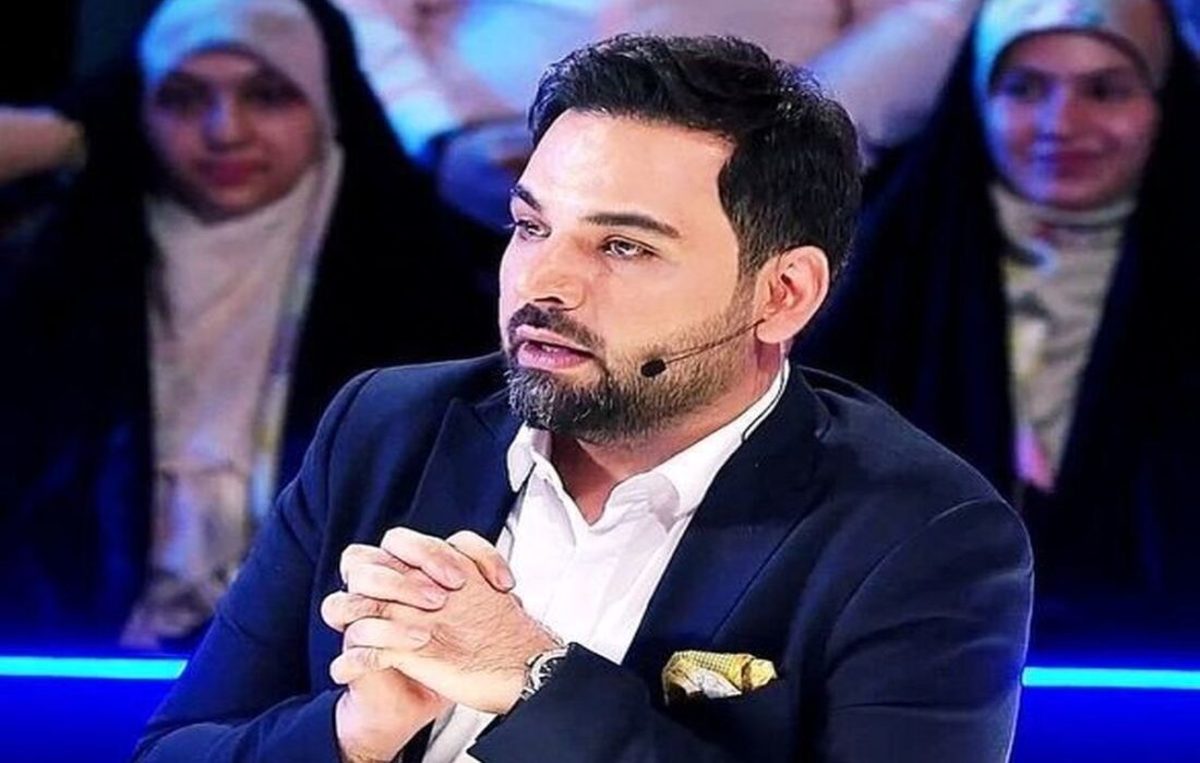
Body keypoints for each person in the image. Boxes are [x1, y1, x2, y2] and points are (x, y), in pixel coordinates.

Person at [134, 34, 1032, 762]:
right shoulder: (386, 428)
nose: (542, 282)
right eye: (531, 226)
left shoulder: (920, 532)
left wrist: (532, 680)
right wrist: (351, 732)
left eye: (623, 247)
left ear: (783, 293)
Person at [0, 0, 494, 651]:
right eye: (182, 99)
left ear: (324, 103)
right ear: (140, 110)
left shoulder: (419, 289)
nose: (225, 131)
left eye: (268, 96)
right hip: (83, 658)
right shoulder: (55, 278)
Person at [796, 0, 1200, 647]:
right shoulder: (876, 267)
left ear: (1164, 101)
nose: (1061, 124)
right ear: (978, 96)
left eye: (1105, 91)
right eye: (1024, 89)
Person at [332, 0, 983, 231]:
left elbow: (928, 15)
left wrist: (783, 141)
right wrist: (438, 134)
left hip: (752, 204)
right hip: (464, 193)